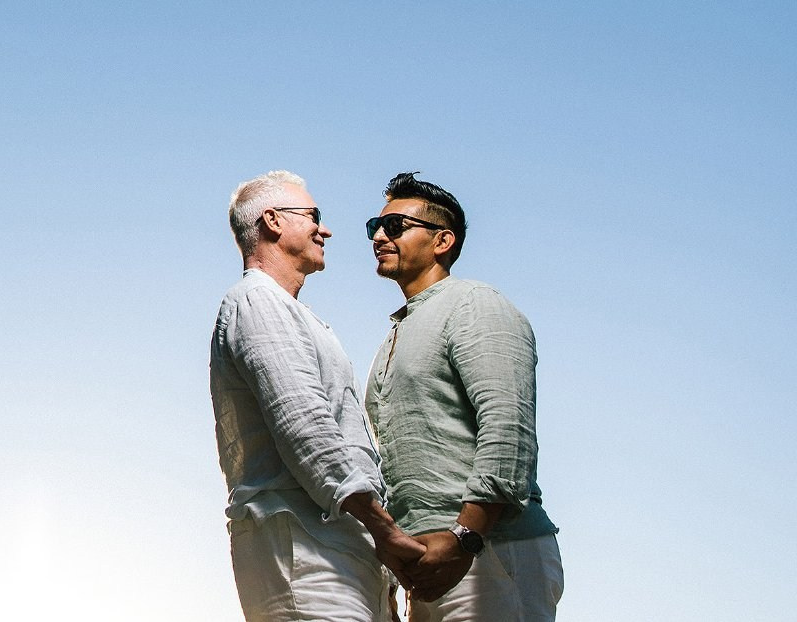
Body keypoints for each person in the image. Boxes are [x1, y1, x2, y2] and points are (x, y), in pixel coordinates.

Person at [212, 170, 424, 622]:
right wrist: (385, 532)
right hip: (304, 556)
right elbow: (304, 426)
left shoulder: (295, 314)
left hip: (341, 551)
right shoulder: (257, 302)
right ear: (272, 221)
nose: (324, 229)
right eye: (313, 215)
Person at [364, 172, 563, 620]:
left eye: (395, 226)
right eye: (373, 227)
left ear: (442, 241)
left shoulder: (475, 305)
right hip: (431, 565)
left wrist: (464, 539)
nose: (379, 235)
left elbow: (508, 430)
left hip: (488, 553)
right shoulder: (397, 333)